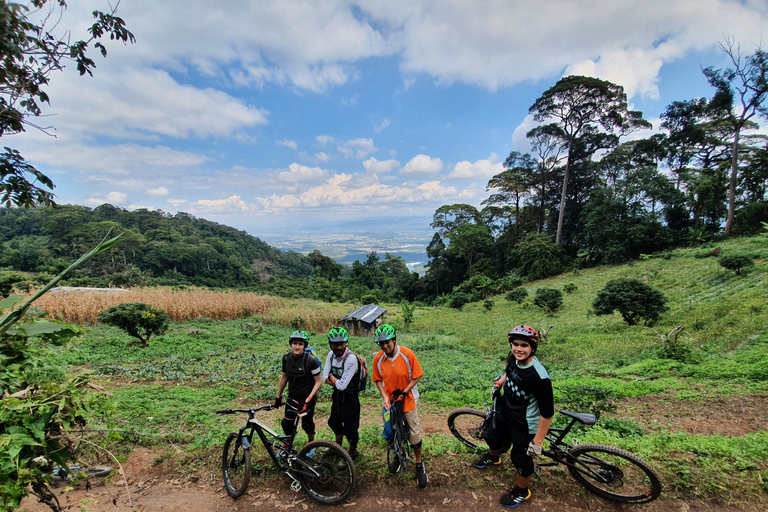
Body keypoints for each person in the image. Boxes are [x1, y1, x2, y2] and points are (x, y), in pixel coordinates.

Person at [473, 325, 554, 508]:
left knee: (520, 459)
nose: (518, 349)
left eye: (524, 345)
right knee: (492, 437)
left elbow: (547, 413)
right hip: (506, 409)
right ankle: (493, 458)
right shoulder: (513, 358)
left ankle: (522, 491)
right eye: (515, 344)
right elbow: (508, 373)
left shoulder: (539, 377)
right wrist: (499, 384)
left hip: (524, 423)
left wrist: (537, 442)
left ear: (532, 348)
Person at [371, 324, 428, 488]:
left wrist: (405, 391)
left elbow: (418, 375)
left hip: (407, 400)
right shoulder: (379, 358)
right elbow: (378, 379)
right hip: (390, 403)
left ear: (394, 340)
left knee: (415, 436)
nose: (384, 346)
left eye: (387, 342)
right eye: (381, 343)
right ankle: (400, 454)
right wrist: (384, 396)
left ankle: (419, 464)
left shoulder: (407, 354)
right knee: (395, 431)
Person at [275, 330, 323, 443]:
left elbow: (318, 382)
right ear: (291, 344)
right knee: (287, 424)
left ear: (304, 346)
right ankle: (288, 445)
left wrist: (308, 399)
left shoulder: (310, 361)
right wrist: (278, 396)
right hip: (293, 396)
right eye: (295, 343)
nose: (297, 347)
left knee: (307, 424)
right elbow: (284, 377)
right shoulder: (286, 358)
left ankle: (310, 444)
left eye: (300, 344)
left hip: (307, 397)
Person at [322, 326, 361, 459]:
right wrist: (335, 382)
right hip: (337, 397)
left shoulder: (351, 359)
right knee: (334, 422)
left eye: (341, 344)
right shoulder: (330, 355)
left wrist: (332, 378)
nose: (338, 347)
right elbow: (324, 377)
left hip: (351, 398)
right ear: (330, 344)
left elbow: (342, 385)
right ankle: (338, 447)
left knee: (351, 429)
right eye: (335, 344)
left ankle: (352, 451)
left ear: (346, 343)